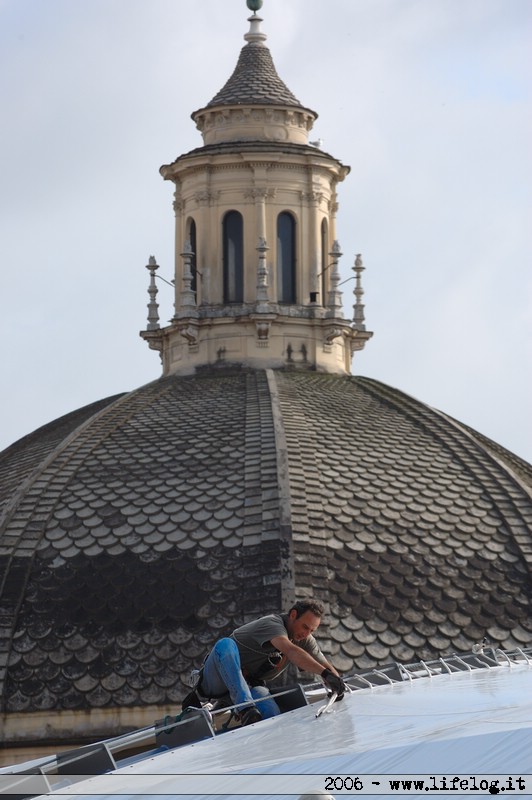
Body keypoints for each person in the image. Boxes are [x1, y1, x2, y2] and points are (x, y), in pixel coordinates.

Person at [181, 598, 347, 726]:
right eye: (305, 627)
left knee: (270, 712)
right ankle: (246, 709)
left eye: (311, 630)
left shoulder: (305, 639)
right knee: (225, 644)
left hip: (247, 687)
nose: (306, 633)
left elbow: (324, 665)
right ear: (293, 615)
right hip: (216, 682)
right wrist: (324, 674)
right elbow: (290, 650)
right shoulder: (273, 624)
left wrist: (336, 683)